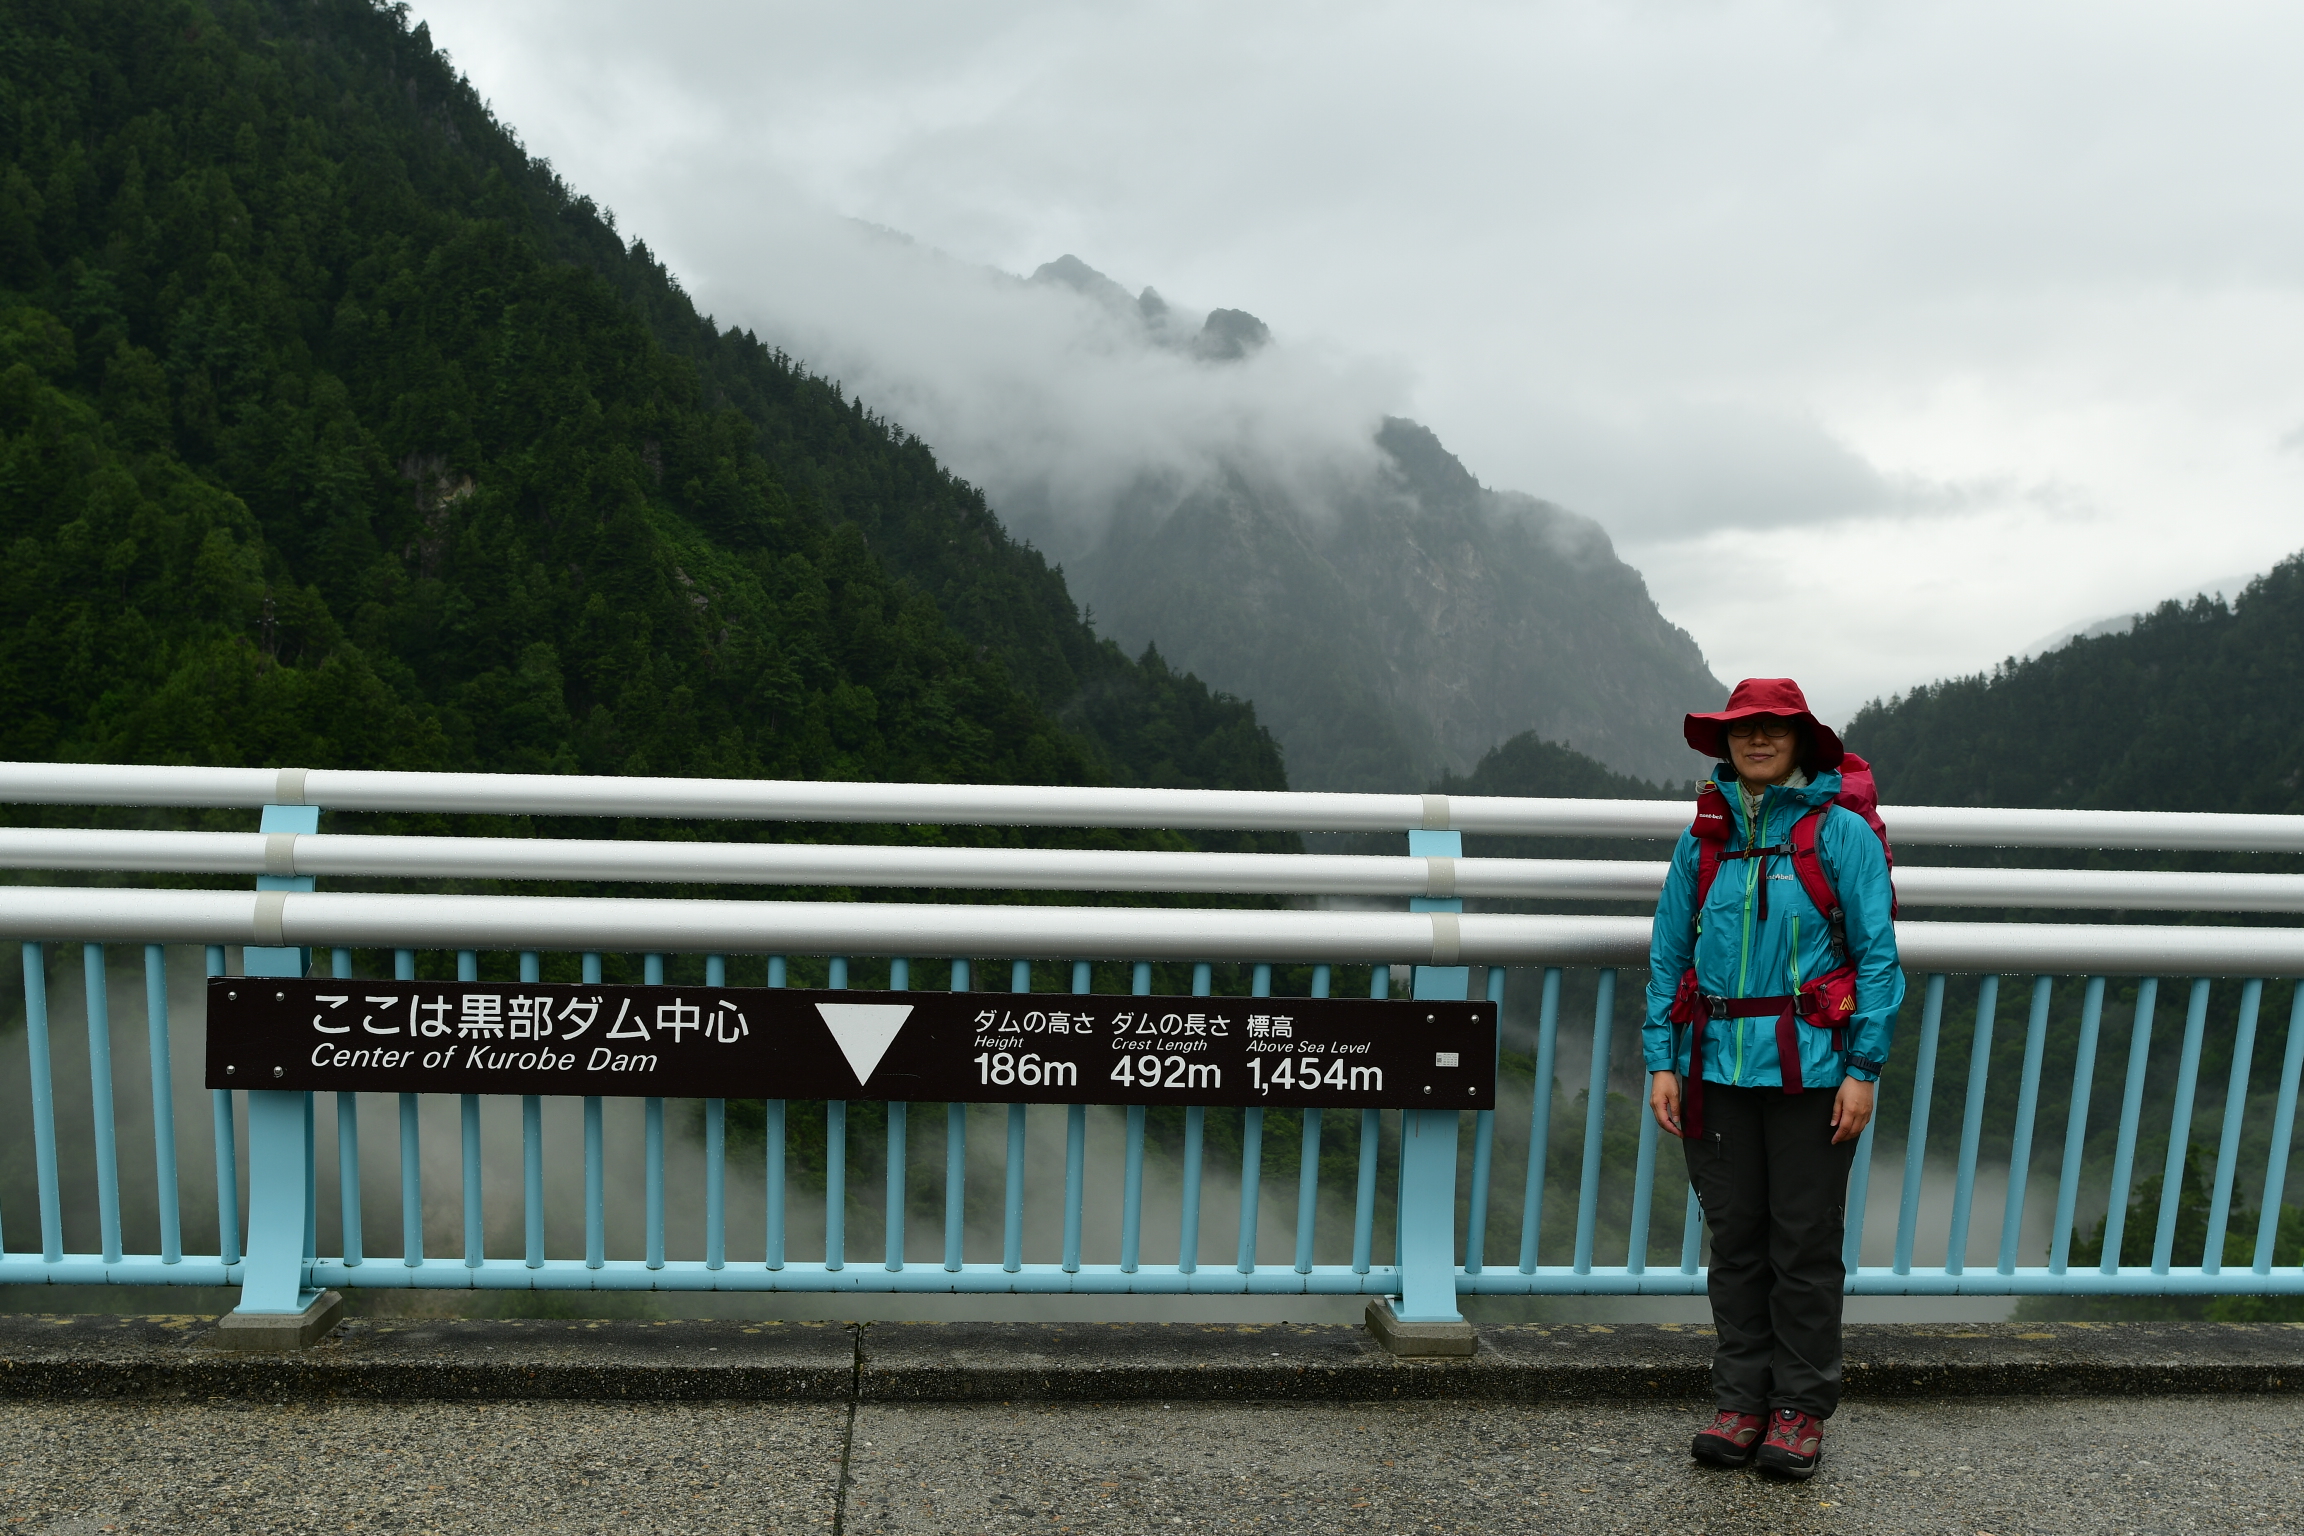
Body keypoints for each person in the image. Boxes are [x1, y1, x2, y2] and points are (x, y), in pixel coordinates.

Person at [1643, 677, 1905, 1481]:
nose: (1757, 741)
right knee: (1737, 1242)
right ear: (1725, 742)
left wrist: (1863, 1069)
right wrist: (1661, 1056)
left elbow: (1879, 958)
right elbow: (1669, 953)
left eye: (1774, 729)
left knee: (1804, 1244)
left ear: (1801, 740)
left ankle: (1798, 1409)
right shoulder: (1706, 839)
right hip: (1714, 1066)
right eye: (1743, 729)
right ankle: (1740, 1401)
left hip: (1814, 1074)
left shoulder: (1840, 835)